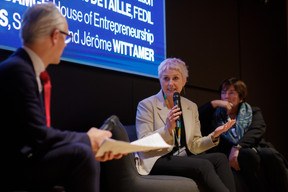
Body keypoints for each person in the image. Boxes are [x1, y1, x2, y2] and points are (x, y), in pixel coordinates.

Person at [0, 3, 123, 192]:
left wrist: (90, 144)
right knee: (81, 153)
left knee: (85, 153)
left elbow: (34, 136)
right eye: (67, 37)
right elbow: (39, 137)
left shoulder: (23, 67)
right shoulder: (19, 70)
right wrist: (87, 139)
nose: (66, 45)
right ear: (55, 36)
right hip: (12, 167)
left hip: (25, 158)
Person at [135, 58, 236, 192]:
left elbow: (194, 144)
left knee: (221, 158)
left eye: (175, 78)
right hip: (157, 158)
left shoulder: (191, 106)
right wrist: (167, 129)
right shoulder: (147, 105)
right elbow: (143, 144)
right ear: (160, 81)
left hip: (182, 157)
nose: (170, 83)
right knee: (203, 165)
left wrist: (214, 136)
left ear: (184, 81)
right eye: (166, 78)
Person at [198, 77, 288, 192]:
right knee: (248, 155)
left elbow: (257, 130)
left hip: (253, 146)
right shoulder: (214, 115)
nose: (226, 96)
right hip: (230, 152)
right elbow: (197, 117)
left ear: (240, 98)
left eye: (231, 93)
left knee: (270, 154)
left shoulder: (253, 111)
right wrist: (214, 103)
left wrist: (238, 147)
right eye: (223, 92)